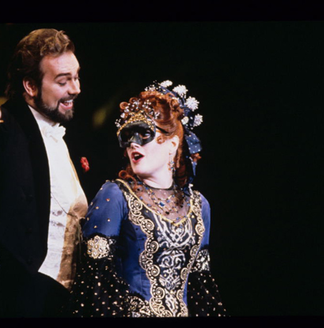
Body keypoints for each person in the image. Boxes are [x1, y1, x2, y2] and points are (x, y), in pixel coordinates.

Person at [0, 29, 88, 318]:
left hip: (71, 303)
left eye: (76, 77)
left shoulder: (69, 136)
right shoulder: (2, 127)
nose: (75, 88)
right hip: (23, 303)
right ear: (30, 85)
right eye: (63, 81)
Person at [66, 80, 227, 317]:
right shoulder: (115, 195)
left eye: (143, 134)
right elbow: (95, 282)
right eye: (127, 136)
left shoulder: (200, 206)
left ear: (173, 144)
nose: (133, 143)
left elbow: (199, 288)